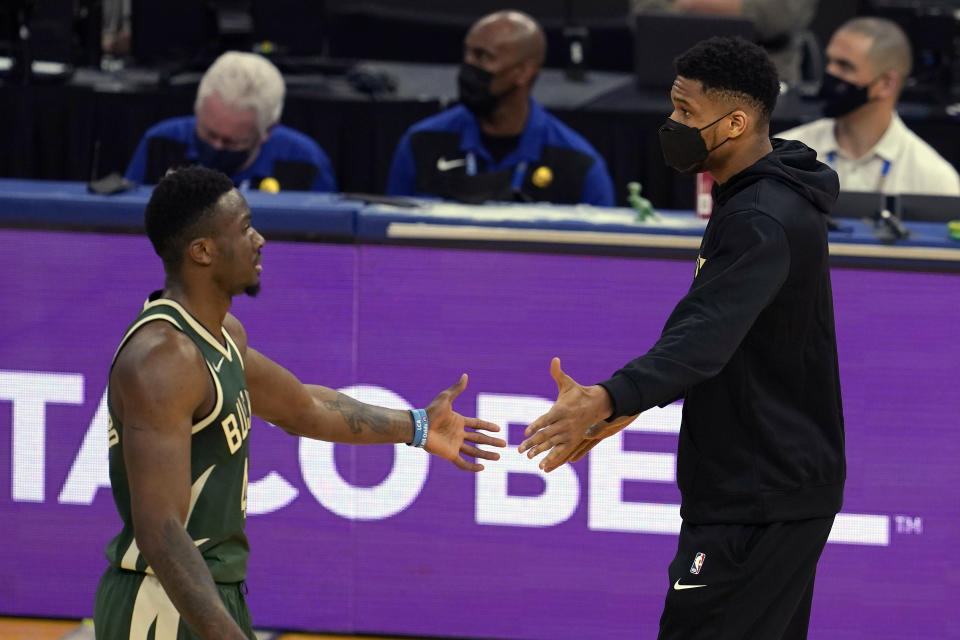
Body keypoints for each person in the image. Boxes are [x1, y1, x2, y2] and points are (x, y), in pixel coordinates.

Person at [519, 37, 845, 639]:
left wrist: (608, 397)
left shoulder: (760, 218)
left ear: (737, 122)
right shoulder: (757, 198)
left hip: (757, 496)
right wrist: (625, 408)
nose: (672, 125)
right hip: (769, 487)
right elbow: (726, 339)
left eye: (687, 114)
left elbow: (703, 338)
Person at [92, 166, 505, 639]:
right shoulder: (162, 361)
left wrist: (416, 426)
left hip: (208, 593)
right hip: (160, 602)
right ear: (202, 251)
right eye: (245, 227)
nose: (259, 239)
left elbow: (302, 407)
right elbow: (161, 531)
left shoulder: (223, 336)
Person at [385, 10, 615, 206]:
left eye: (483, 57)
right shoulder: (422, 143)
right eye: (467, 53)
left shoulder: (578, 165)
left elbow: (601, 255)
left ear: (524, 72)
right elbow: (389, 241)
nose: (468, 67)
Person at [777, 17, 960, 196]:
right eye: (829, 62)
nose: (830, 73)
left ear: (887, 84)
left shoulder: (935, 182)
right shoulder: (783, 157)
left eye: (845, 66)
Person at [125, 51, 337, 192]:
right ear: (197, 110)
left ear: (268, 130)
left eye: (232, 142)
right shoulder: (160, 143)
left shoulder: (306, 162)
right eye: (209, 134)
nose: (217, 146)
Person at [630, 0, 818, 87]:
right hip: (671, 77)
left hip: (762, 84)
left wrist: (690, 4)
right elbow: (645, 12)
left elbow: (778, 18)